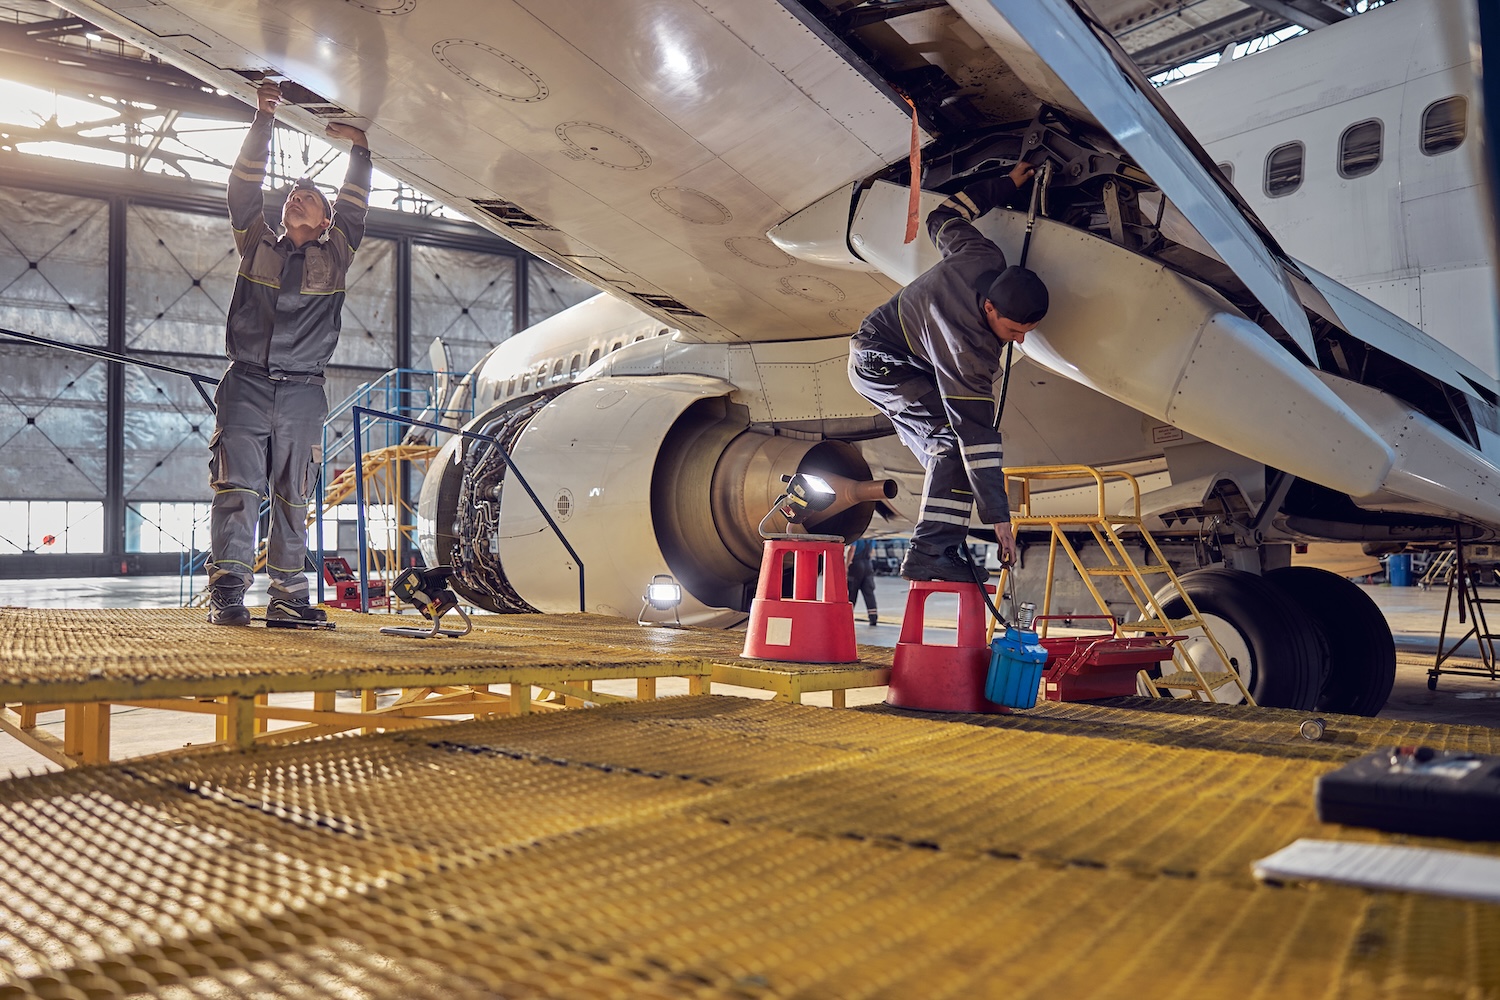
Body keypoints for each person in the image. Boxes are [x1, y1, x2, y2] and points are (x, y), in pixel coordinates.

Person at [206, 80, 372, 625]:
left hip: (302, 392)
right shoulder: (255, 241)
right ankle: (228, 589)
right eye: (295, 194)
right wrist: (263, 120)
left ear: (325, 221)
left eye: (313, 198)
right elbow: (242, 188)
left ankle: (289, 597)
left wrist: (360, 150)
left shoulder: (338, 254)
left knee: (294, 494)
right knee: (237, 485)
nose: (299, 195)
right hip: (247, 384)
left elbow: (356, 205)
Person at [847, 161, 1049, 583]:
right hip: (880, 362)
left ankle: (940, 548)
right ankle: (928, 553)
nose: (1020, 341)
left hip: (897, 360)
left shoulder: (981, 256)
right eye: (1014, 331)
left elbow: (944, 216)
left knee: (951, 456)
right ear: (989, 308)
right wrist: (999, 519)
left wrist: (1005, 184)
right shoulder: (968, 350)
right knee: (951, 446)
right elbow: (978, 437)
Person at [846, 536, 879, 626]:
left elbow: (852, 549)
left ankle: (847, 617)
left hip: (856, 565)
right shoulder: (872, 537)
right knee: (869, 592)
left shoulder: (857, 536)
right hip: (868, 566)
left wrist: (847, 565)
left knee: (852, 592)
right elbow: (872, 552)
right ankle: (873, 618)